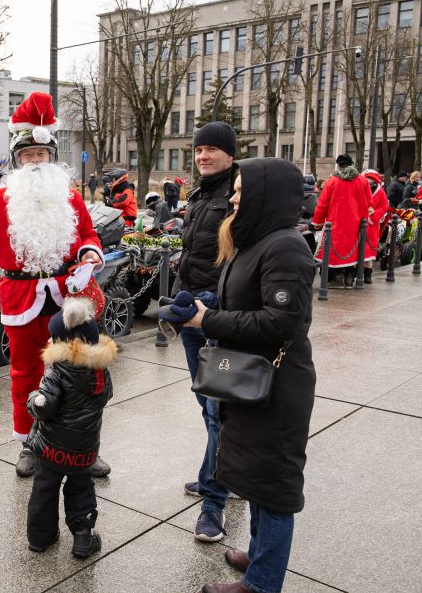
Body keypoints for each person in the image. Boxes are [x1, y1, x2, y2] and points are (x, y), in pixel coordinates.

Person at [0, 91, 108, 478]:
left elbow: (88, 234)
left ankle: (81, 447)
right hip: (22, 298)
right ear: (17, 160)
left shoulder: (70, 197)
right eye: (27, 156)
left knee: (82, 376)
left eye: (41, 156)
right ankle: (30, 442)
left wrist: (90, 254)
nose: (35, 162)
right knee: (25, 375)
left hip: (69, 297)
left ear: (51, 159)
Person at [185, 157, 316, 593]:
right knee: (257, 477)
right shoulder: (257, 241)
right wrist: (203, 304)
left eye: (241, 189)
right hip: (253, 379)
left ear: (266, 194)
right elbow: (244, 302)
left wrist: (210, 323)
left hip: (277, 385)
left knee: (273, 487)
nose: (234, 196)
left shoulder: (286, 247)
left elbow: (279, 322)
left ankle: (262, 583)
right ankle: (262, 555)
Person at [177, 120, 237, 543]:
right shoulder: (200, 193)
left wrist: (214, 303)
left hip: (216, 316)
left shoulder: (240, 195)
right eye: (199, 149)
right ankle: (219, 471)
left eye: (212, 149)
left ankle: (214, 503)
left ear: (230, 154)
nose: (203, 155)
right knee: (206, 405)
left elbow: (240, 257)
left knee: (219, 412)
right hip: (189, 313)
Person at [25, 297, 115, 558]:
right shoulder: (100, 371)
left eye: (53, 338)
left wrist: (33, 399)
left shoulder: (57, 372)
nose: (50, 341)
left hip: (53, 448)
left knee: (44, 490)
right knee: (81, 490)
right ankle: (83, 538)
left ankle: (40, 538)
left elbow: (44, 407)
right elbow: (106, 395)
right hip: (84, 449)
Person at [312, 154, 372, 288]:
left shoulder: (332, 181)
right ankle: (349, 277)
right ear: (352, 164)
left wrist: (318, 221)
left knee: (334, 250)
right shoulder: (362, 181)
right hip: (357, 223)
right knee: (353, 250)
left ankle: (336, 277)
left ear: (339, 165)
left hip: (336, 222)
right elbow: (369, 201)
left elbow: (323, 203)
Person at [362, 169, 389, 284]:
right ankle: (353, 272)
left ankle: (367, 273)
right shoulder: (361, 189)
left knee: (369, 250)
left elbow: (384, 207)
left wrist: (373, 215)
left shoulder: (381, 193)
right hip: (359, 223)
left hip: (372, 225)